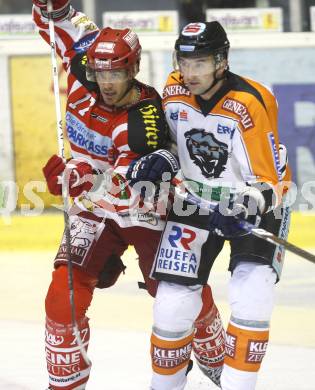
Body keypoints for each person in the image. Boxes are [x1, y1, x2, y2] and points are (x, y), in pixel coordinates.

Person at [32, 2, 225, 388]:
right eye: (100, 71)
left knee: (176, 295)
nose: (106, 81)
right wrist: (51, 7)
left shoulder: (143, 120)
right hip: (94, 210)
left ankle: (213, 351)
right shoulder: (84, 62)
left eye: (117, 72)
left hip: (148, 212)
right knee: (61, 298)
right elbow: (62, 25)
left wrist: (79, 176)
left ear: (133, 69)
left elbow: (130, 188)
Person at [127, 21, 291, 390]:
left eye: (200, 63)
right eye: (184, 63)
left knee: (252, 295)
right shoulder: (172, 89)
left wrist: (244, 205)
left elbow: (274, 182)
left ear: (222, 61)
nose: (189, 73)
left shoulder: (250, 103)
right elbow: (171, 145)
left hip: (253, 205)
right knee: (170, 306)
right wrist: (162, 159)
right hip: (194, 202)